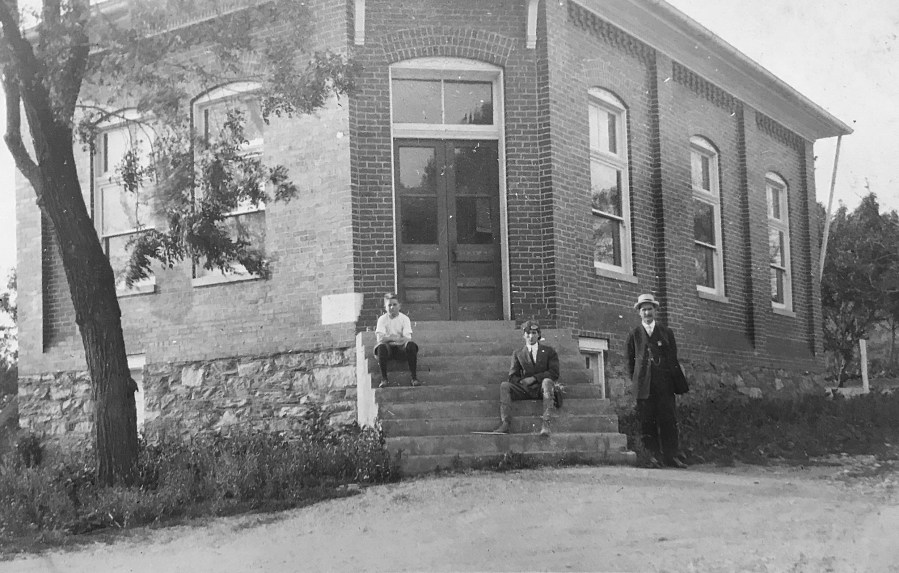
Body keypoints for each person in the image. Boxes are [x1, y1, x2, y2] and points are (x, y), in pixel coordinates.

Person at [625, 293, 688, 468]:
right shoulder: (634, 335)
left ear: (655, 311)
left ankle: (671, 456)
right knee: (647, 421)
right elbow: (631, 362)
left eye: (650, 309)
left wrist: (675, 383)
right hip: (645, 386)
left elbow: (673, 358)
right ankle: (652, 456)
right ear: (639, 312)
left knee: (668, 420)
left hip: (664, 385)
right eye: (644, 310)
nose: (647, 313)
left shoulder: (666, 332)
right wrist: (638, 381)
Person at [494, 320, 563, 436]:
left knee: (547, 382)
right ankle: (505, 423)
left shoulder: (549, 351)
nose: (531, 336)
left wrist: (535, 378)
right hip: (525, 389)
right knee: (504, 386)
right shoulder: (518, 353)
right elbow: (512, 375)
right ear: (524, 335)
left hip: (543, 389)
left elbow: (554, 372)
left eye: (534, 333)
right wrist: (521, 382)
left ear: (539, 334)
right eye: (528, 333)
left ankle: (546, 424)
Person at [374, 293, 420, 388]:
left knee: (411, 345)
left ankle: (414, 378)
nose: (392, 307)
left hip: (400, 349)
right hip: (387, 350)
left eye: (394, 304)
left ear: (399, 306)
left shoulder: (404, 319)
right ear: (385, 307)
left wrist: (390, 338)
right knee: (381, 347)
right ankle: (384, 379)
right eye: (389, 305)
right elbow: (380, 338)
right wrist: (396, 338)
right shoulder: (382, 319)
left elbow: (407, 338)